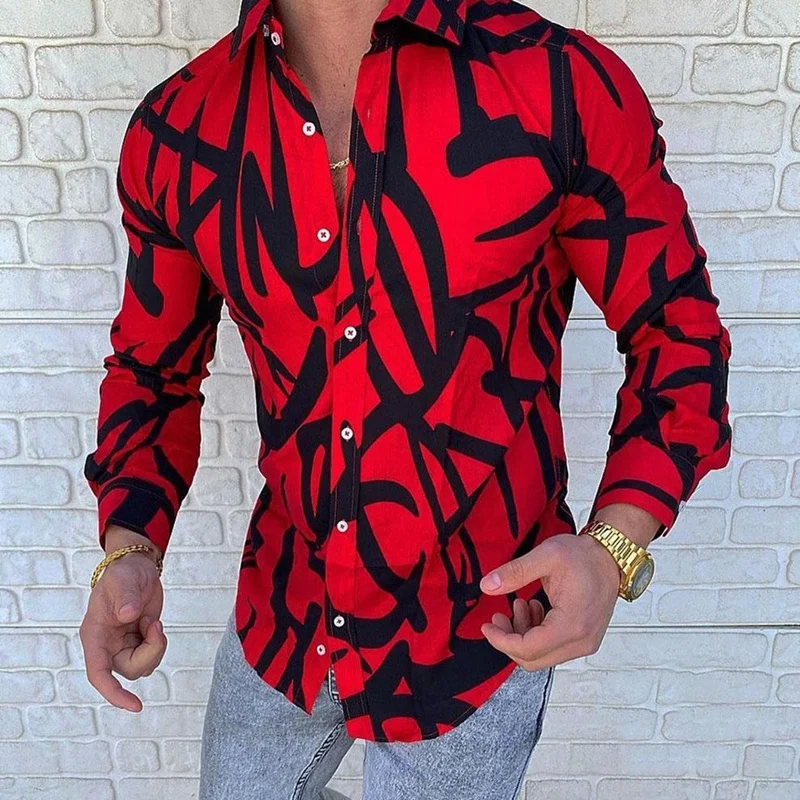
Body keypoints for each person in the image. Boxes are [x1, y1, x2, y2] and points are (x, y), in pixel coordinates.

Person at [79, 0, 732, 797]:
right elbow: (153, 370)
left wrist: (613, 547)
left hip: (480, 633)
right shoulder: (180, 129)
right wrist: (130, 548)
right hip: (285, 614)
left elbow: (678, 331)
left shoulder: (556, 83)